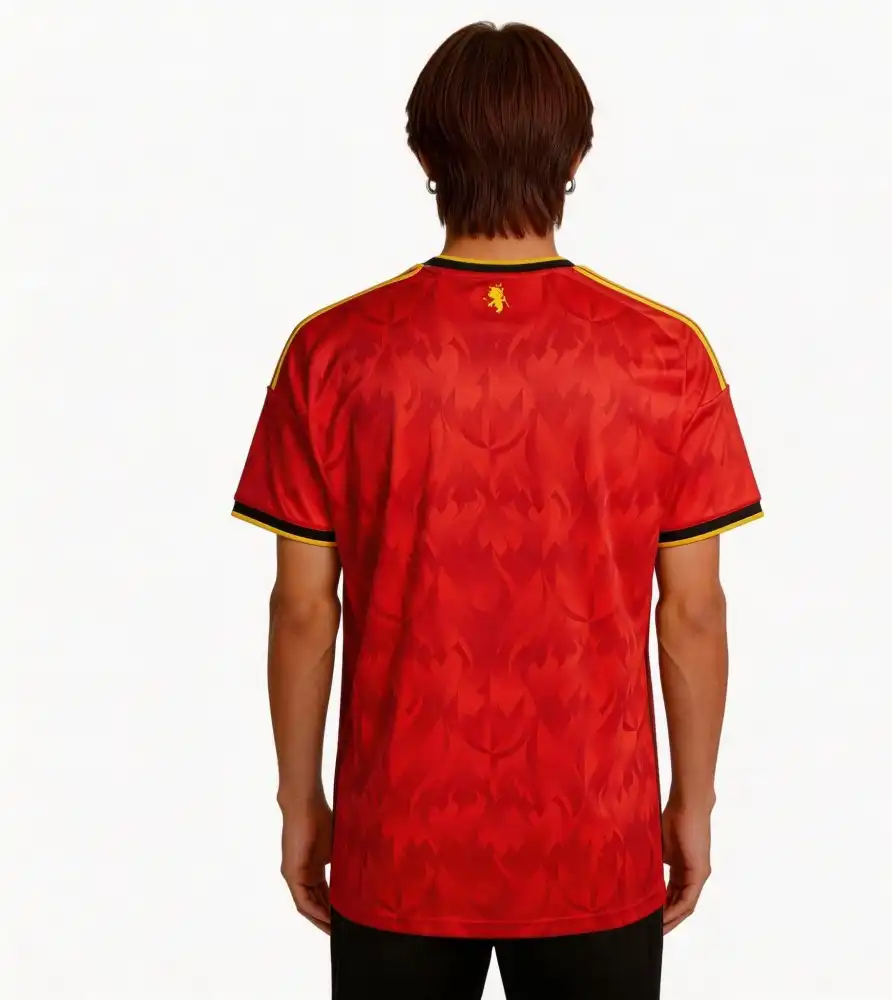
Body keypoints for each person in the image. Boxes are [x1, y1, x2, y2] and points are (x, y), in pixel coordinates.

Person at [231, 20, 762, 1000]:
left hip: (397, 836)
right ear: (576, 155)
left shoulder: (332, 354)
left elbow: (302, 608)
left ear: (423, 153)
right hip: (595, 837)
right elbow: (691, 611)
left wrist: (299, 799)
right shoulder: (666, 356)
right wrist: (693, 800)